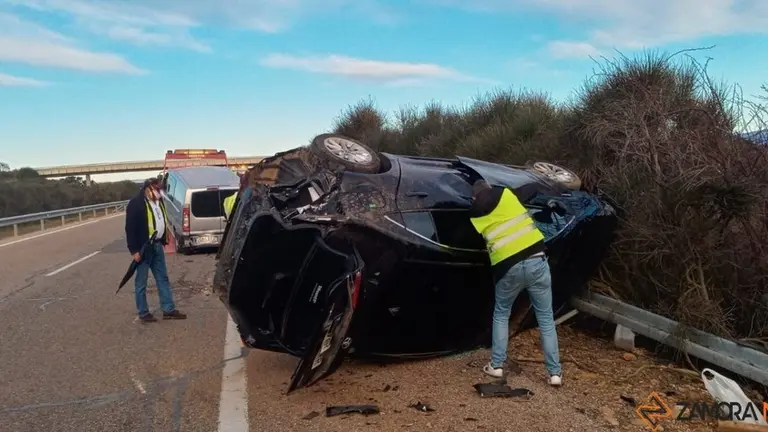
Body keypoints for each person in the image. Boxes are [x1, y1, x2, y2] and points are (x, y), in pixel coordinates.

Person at [468, 179, 562, 386]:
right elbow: (530, 189)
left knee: (501, 313)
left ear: (474, 197)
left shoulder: (475, 213)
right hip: (537, 260)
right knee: (546, 319)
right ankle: (554, 374)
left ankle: (497, 366)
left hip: (508, 269)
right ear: (489, 189)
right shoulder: (506, 195)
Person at [125, 178, 187, 323]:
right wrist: (134, 250)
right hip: (144, 248)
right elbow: (130, 229)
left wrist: (165, 238)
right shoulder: (136, 204)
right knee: (141, 282)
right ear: (148, 189)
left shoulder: (159, 202)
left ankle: (168, 309)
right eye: (157, 190)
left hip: (157, 246)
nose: (160, 192)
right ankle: (143, 312)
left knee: (162, 278)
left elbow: (162, 220)